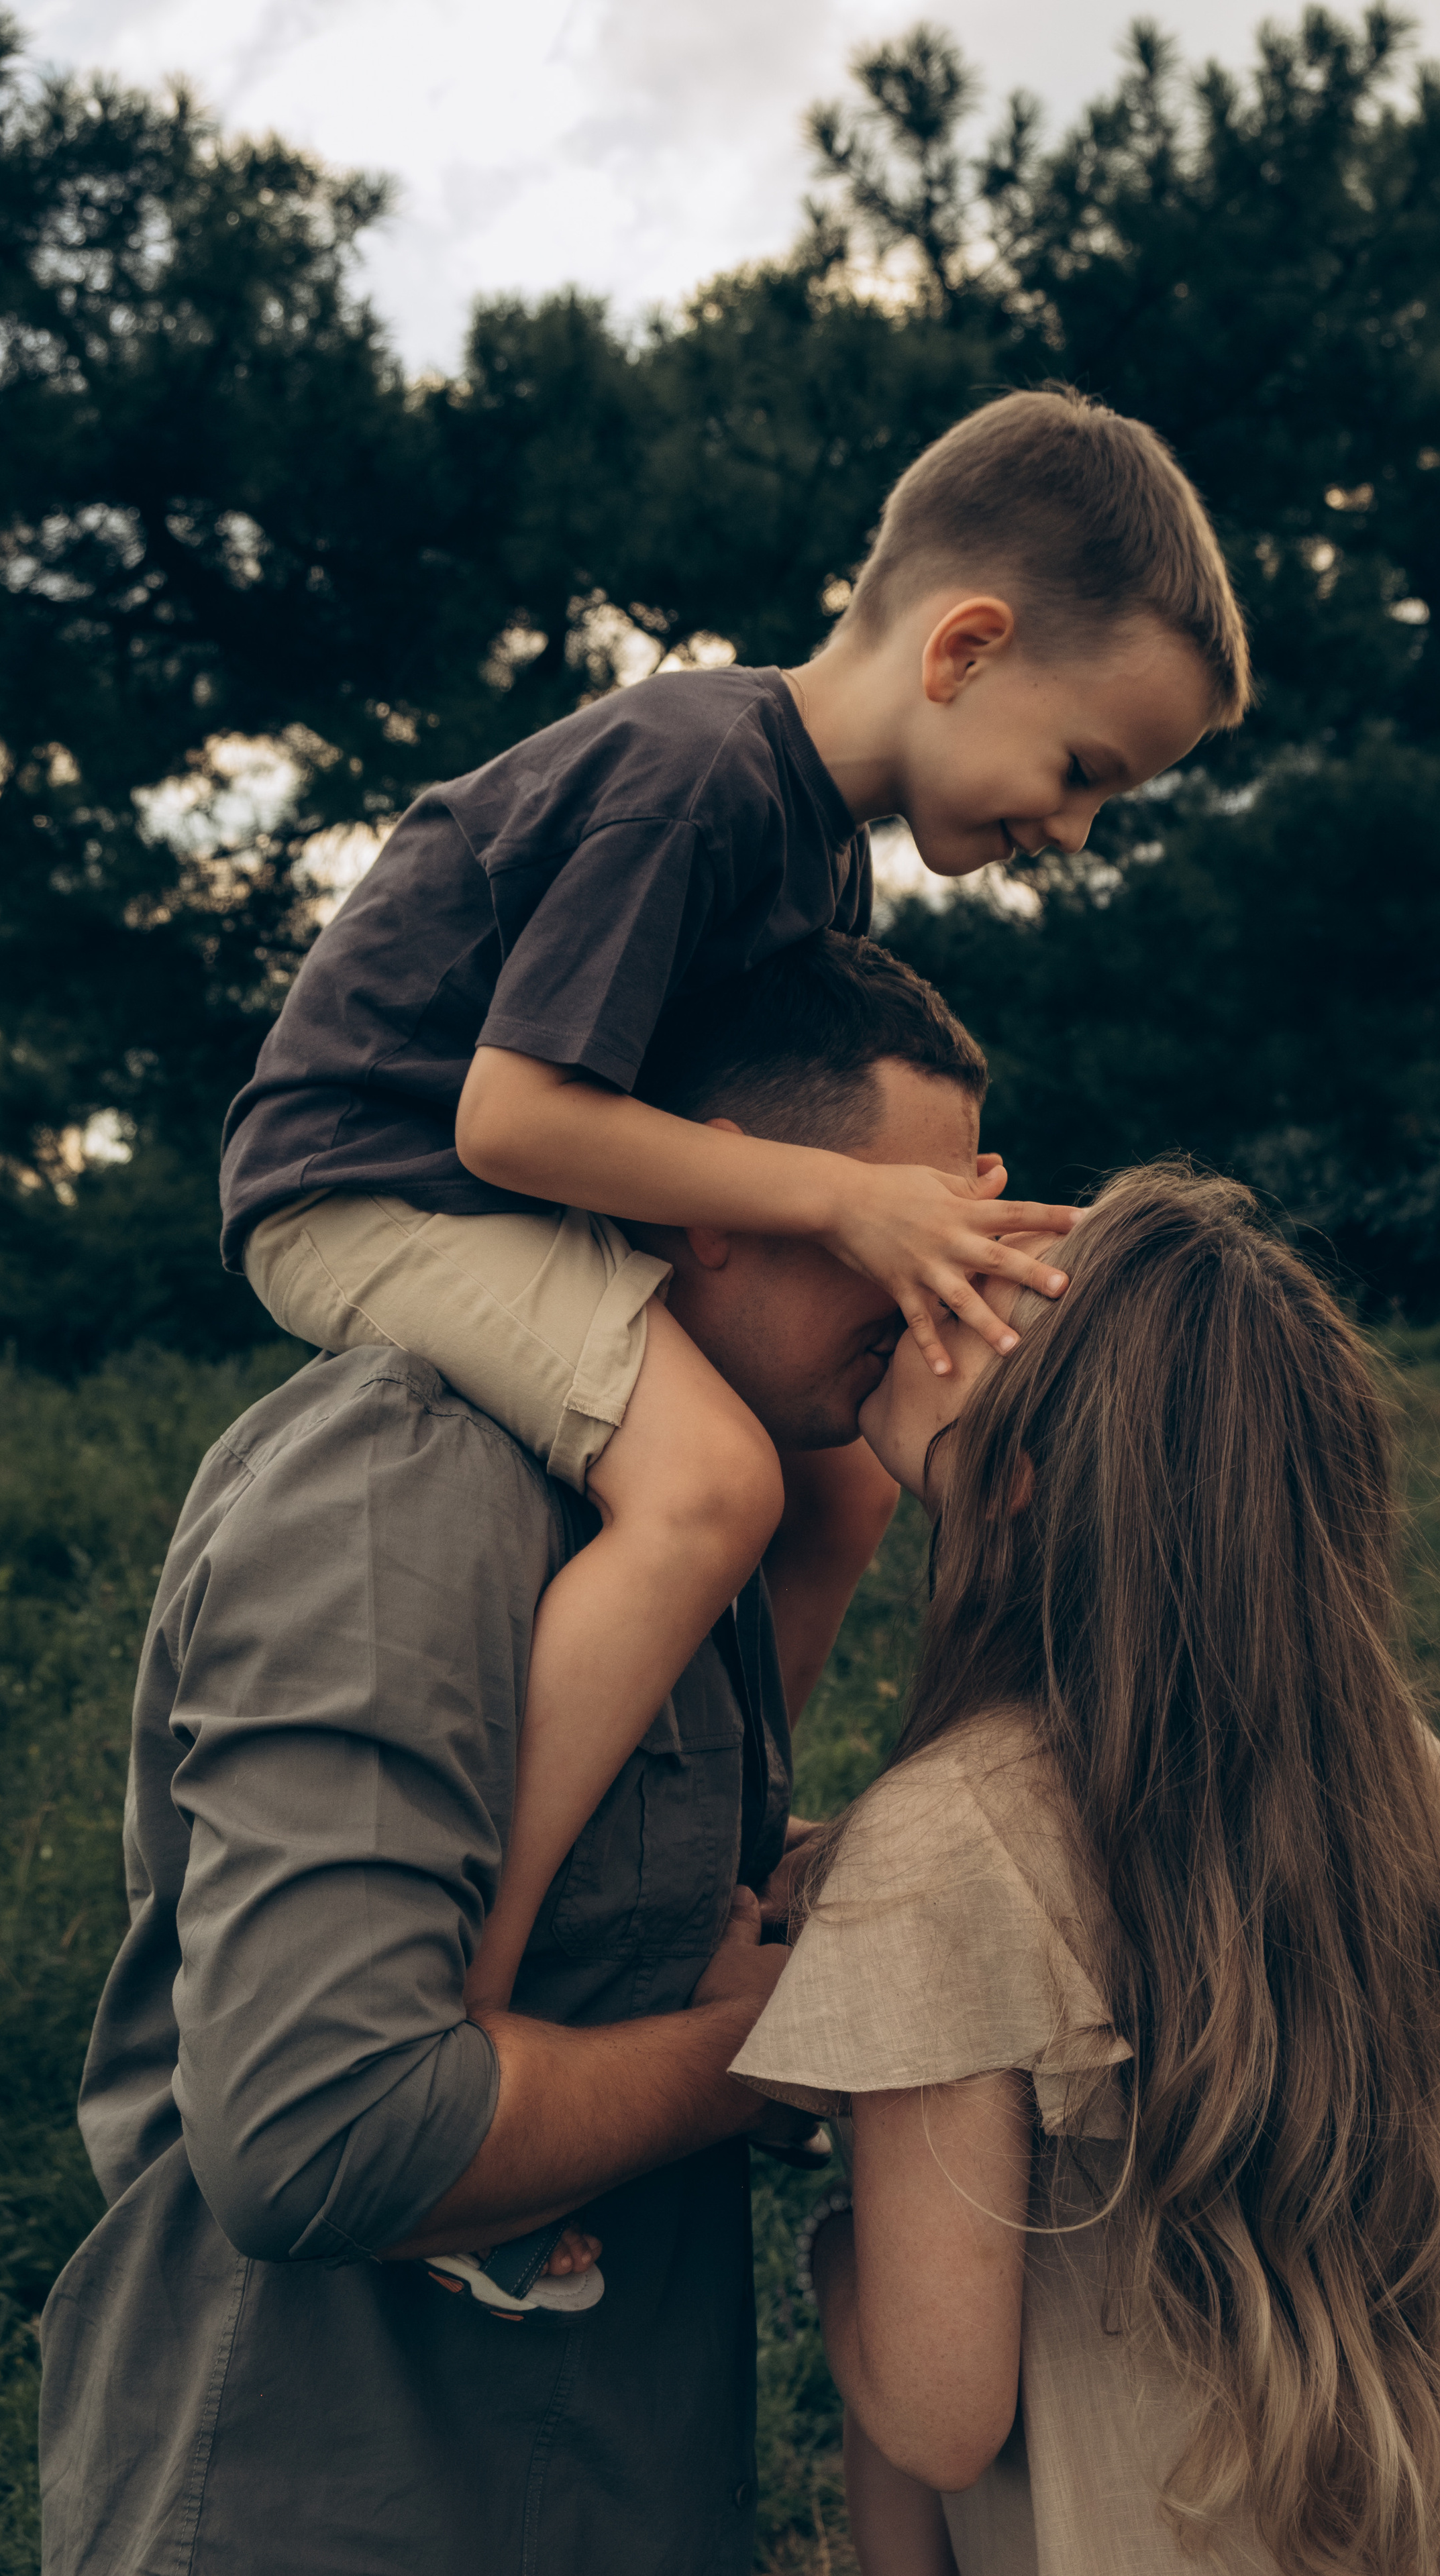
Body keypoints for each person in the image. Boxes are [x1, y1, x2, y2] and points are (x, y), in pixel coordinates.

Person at [215, 389, 1253, 2233]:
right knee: (711, 1485)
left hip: (523, 1199)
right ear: (967, 646)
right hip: (369, 1182)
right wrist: (846, 1198)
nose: (1080, 831)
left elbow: (722, 1137)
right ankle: (488, 1980)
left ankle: (713, 1878)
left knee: (839, 1477)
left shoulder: (817, 853)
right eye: (1086, 769)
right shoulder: (702, 769)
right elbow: (510, 1112)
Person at [39, 937, 990, 2576]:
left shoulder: (699, 1515)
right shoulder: (404, 1488)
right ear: (713, 1204)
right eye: (889, 1232)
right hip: (337, 2501)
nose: (932, 1288)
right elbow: (322, 2130)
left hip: (607, 2474)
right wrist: (759, 2055)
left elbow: (662, 1905)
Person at [733, 1164, 1440, 2576]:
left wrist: (840, 2257)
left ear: (1013, 1480)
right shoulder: (1336, 1752)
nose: (941, 1281)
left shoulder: (949, 1847)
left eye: (996, 1300)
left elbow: (938, 2422)